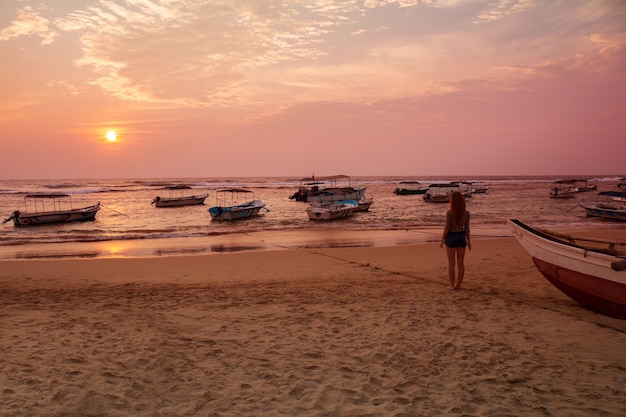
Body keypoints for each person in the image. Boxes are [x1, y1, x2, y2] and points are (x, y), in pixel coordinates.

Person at [440, 191, 471, 290]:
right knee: (461, 263)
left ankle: (452, 284)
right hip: (461, 236)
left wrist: (442, 240)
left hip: (451, 236)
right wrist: (469, 241)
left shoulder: (450, 213)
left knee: (451, 264)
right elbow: (467, 229)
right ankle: (459, 284)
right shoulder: (466, 213)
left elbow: (447, 228)